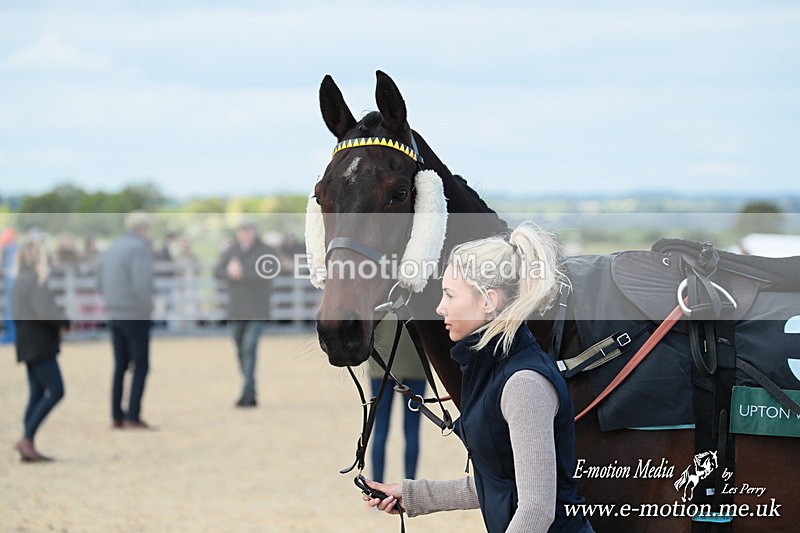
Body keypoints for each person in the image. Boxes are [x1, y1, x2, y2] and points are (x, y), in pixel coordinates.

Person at [363, 222, 593, 532]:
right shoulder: (490, 369)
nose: (440, 307)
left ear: (488, 301)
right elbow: (499, 483)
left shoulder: (524, 383)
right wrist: (412, 494)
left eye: (450, 295)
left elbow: (537, 510)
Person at [11, 236, 70, 462]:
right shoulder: (36, 280)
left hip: (26, 344)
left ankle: (28, 443)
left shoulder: (19, 280)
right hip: (40, 344)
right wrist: (65, 322)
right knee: (56, 390)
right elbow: (46, 312)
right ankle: (27, 438)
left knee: (36, 393)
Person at [99, 211, 155, 429]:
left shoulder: (112, 248)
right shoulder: (139, 249)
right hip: (134, 314)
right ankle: (133, 414)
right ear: (143, 228)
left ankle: (116, 414)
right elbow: (141, 284)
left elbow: (99, 281)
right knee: (140, 365)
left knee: (120, 365)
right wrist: (148, 307)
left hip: (114, 313)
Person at [214, 219, 276, 407]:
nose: (245, 234)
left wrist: (243, 273)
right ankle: (250, 390)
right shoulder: (232, 251)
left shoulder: (265, 251)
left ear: (255, 231)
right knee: (240, 352)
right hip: (236, 310)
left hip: (257, 310)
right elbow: (216, 270)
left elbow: (269, 272)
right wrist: (228, 272)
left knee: (249, 349)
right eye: (242, 230)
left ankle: (247, 394)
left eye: (248, 230)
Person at [368, 315, 427, 482]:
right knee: (412, 430)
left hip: (381, 364)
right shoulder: (417, 293)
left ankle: (376, 486)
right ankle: (411, 484)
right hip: (416, 363)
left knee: (380, 428)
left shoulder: (379, 290)